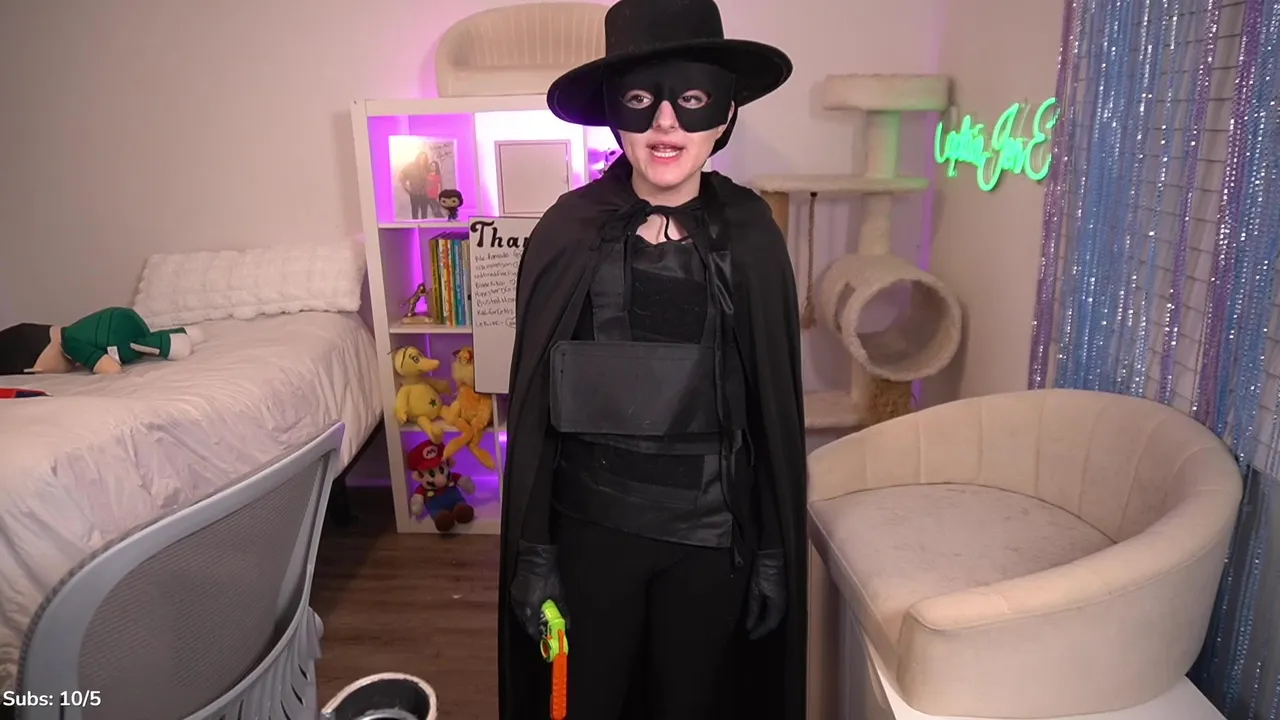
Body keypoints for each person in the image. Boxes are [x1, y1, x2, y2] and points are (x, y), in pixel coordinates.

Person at [498, 0, 807, 718]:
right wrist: (535, 549)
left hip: (712, 541)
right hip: (590, 534)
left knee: (693, 703)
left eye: (691, 100)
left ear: (724, 116)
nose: (666, 124)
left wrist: (771, 547)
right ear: (616, 118)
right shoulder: (568, 230)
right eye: (642, 102)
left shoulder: (751, 235)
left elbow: (771, 408)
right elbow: (537, 406)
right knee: (588, 702)